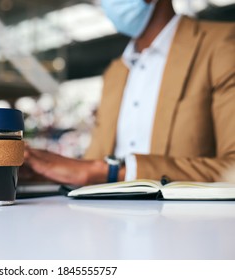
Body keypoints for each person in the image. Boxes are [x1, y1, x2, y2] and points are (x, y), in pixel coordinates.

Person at [23, 0, 235, 186]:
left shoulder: (223, 45)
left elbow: (232, 168)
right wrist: (40, 172)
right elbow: (91, 164)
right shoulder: (115, 72)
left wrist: (112, 172)